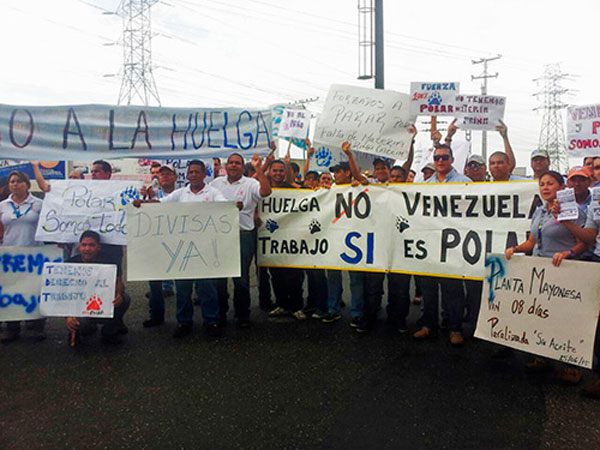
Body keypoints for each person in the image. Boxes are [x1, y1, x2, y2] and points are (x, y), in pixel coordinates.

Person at [505, 170, 587, 383]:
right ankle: (542, 357)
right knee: (543, 315)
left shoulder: (574, 210)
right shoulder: (540, 211)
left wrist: (568, 253)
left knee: (567, 319)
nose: (545, 187)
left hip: (566, 269)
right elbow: (533, 242)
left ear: (561, 187)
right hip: (541, 270)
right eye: (542, 184)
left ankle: (572, 365)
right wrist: (515, 249)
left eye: (551, 183)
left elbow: (585, 241)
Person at [134, 160, 226, 338]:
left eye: (197, 172)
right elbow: (161, 203)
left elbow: (224, 205)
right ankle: (184, 322)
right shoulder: (181, 193)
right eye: (191, 172)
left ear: (204, 174)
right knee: (183, 289)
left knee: (207, 288)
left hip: (205, 249)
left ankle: (211, 321)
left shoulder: (213, 192)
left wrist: (233, 206)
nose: (193, 175)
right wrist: (142, 204)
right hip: (183, 250)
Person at [413, 144, 470, 346]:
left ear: (452, 160)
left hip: (453, 246)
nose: (440, 161)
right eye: (437, 158)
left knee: (453, 290)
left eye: (444, 157)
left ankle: (455, 329)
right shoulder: (425, 184)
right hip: (430, 244)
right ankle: (428, 325)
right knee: (428, 290)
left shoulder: (466, 183)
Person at [210, 153, 271, 328]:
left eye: (238, 163)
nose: (234, 165)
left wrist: (259, 169)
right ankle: (220, 313)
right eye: (231, 163)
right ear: (226, 166)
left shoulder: (251, 183)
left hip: (243, 235)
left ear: (243, 167)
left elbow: (266, 192)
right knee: (219, 277)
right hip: (220, 236)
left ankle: (242, 314)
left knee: (241, 277)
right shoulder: (215, 184)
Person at [0, 170, 45, 343]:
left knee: (34, 290)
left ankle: (36, 326)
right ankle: (12, 328)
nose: (15, 184)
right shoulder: (3, 205)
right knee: (12, 290)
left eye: (19, 181)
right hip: (11, 255)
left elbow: (48, 226)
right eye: (12, 181)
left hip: (35, 253)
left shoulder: (39, 204)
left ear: (27, 184)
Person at [65, 230, 130, 346]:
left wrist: (119, 293)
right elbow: (64, 293)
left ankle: (109, 332)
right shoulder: (70, 264)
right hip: (80, 308)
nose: (87, 249)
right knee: (82, 325)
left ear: (99, 247)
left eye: (91, 245)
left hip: (102, 304)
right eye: (84, 245)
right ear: (79, 247)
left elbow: (118, 282)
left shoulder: (110, 262)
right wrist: (69, 315)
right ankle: (82, 329)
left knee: (125, 298)